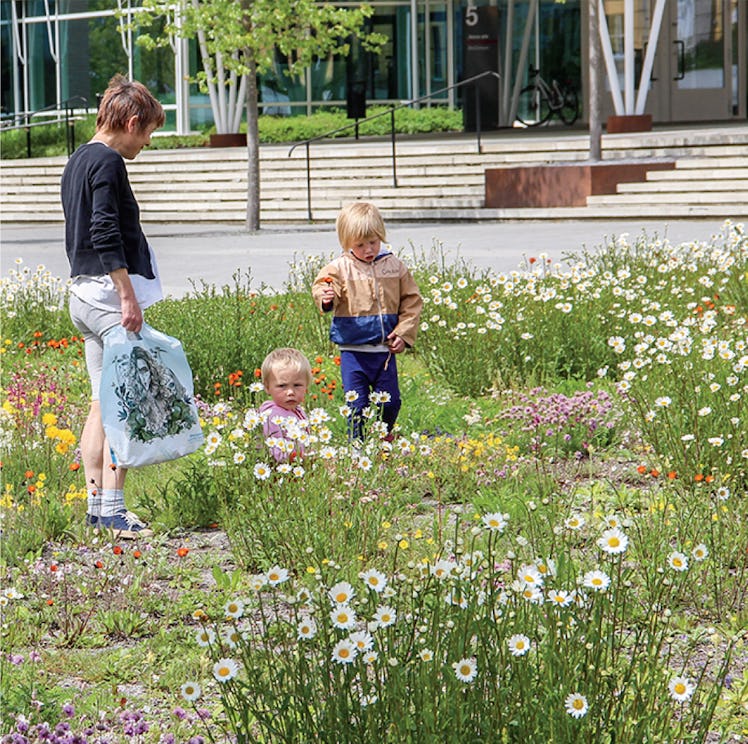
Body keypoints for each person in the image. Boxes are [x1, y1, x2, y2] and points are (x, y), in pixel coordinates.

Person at [61, 74, 165, 539]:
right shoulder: (108, 162)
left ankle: (95, 506)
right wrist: (127, 295)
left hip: (80, 295)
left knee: (100, 405)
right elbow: (104, 230)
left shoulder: (77, 159)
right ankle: (115, 510)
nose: (146, 144)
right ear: (131, 121)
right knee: (124, 404)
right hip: (107, 299)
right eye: (147, 133)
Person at [311, 202, 423, 440]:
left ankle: (384, 437)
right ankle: (356, 447)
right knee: (357, 405)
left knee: (390, 402)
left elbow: (412, 300)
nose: (368, 249)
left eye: (373, 242)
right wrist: (326, 297)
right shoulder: (340, 268)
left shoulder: (394, 266)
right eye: (360, 245)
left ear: (380, 235)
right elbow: (323, 286)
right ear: (346, 242)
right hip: (353, 352)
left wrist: (403, 333)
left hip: (384, 351)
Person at [260, 348, 312, 462]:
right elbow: (275, 452)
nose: (290, 392)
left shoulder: (299, 411)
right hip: (283, 472)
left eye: (297, 385)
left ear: (306, 386)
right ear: (267, 387)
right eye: (282, 386)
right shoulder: (272, 416)